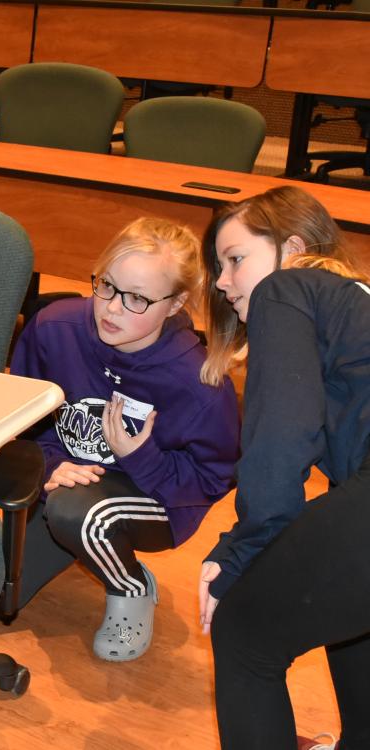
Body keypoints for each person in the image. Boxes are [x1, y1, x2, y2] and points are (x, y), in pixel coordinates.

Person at [10, 217, 239, 661]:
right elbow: (21, 413)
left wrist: (144, 458)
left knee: (82, 516)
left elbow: (213, 479)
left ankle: (130, 584)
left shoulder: (199, 383)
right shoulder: (53, 327)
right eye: (107, 286)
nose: (112, 308)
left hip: (156, 498)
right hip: (66, 480)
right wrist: (52, 461)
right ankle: (75, 536)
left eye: (137, 298)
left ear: (175, 304)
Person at [197, 185, 370, 750]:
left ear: (292, 248)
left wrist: (240, 551)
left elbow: (282, 437)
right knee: (347, 610)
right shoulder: (352, 300)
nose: (222, 282)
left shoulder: (288, 287)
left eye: (235, 259)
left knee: (244, 633)